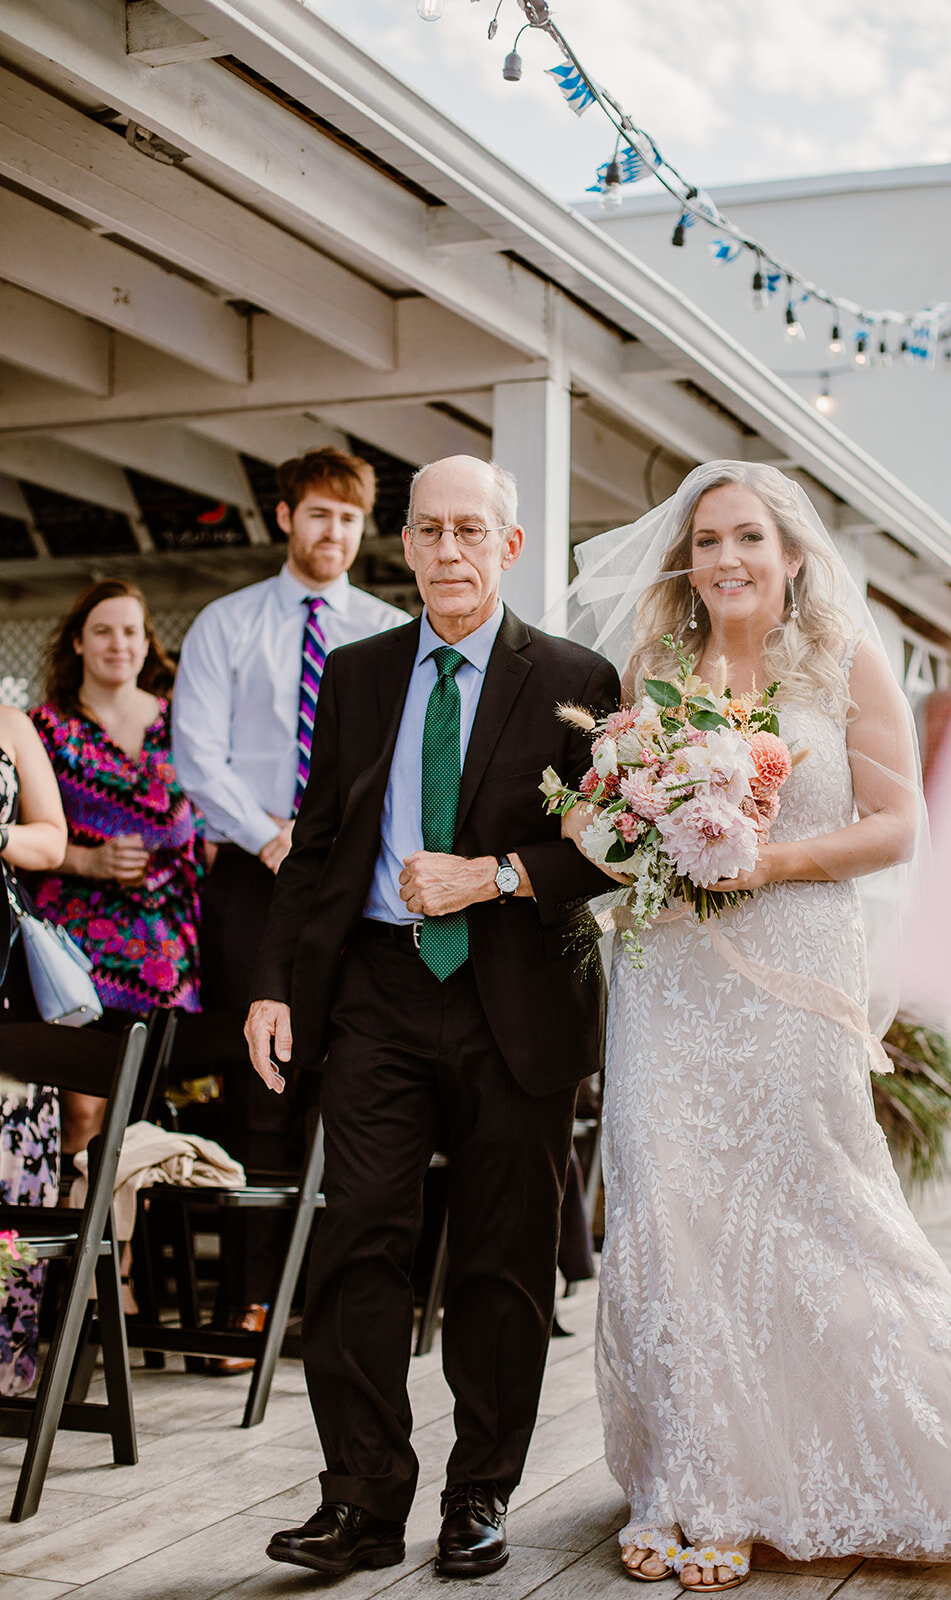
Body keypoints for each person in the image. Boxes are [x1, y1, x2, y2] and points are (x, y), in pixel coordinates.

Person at [556, 462, 951, 1589]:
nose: (726, 558)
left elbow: (895, 823)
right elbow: (607, 810)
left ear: (790, 554)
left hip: (791, 965)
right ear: (686, 562)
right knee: (668, 1212)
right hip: (671, 978)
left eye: (748, 537)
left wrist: (759, 859)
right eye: (706, 541)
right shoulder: (653, 667)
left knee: (813, 1206)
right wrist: (633, 837)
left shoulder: (844, 662)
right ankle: (693, 1482)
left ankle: (871, 1448)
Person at [245, 454, 620, 1579]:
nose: (446, 551)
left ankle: (479, 1494)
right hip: (375, 990)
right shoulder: (356, 673)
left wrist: (492, 875)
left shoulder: (573, 674)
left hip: (516, 993)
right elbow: (317, 841)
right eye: (426, 531)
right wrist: (271, 982)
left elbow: (608, 846)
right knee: (358, 1235)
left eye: (469, 530)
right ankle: (360, 1500)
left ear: (509, 545)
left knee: (502, 1255)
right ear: (399, 545)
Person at [173, 447, 407, 1369]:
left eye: (349, 520)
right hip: (253, 880)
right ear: (284, 517)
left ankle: (332, 1308)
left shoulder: (392, 631)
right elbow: (198, 756)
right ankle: (248, 1304)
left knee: (350, 1088)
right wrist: (275, 840)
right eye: (318, 515)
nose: (333, 534)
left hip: (358, 890)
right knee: (257, 1086)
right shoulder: (225, 626)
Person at [31, 580, 203, 1155]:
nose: (118, 644)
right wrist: (92, 860)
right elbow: (24, 832)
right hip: (78, 952)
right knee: (80, 1116)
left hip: (166, 953)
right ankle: (81, 1241)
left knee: (136, 1129)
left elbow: (210, 815)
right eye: (102, 631)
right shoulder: (45, 730)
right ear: (78, 643)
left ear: (147, 642)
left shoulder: (181, 720)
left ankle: (125, 1249)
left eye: (131, 631)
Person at [0, 705, 68, 1392]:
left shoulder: (9, 723)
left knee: (12, 1163)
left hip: (5, 964)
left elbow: (52, 842)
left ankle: (1, 1370)